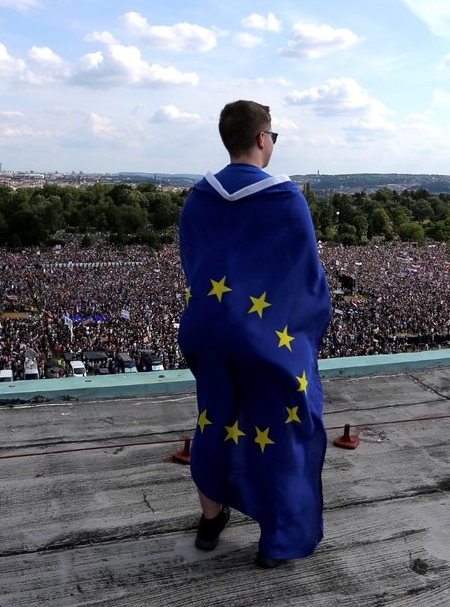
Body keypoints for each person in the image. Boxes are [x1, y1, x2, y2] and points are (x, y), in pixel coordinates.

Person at [177, 100, 332, 568]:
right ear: (263, 139)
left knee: (216, 419)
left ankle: (210, 521)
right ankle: (277, 540)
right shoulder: (286, 199)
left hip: (211, 333)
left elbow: (195, 267)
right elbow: (308, 281)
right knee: (283, 432)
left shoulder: (198, 197)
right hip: (270, 341)